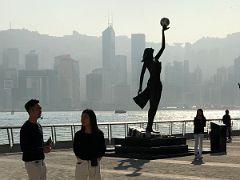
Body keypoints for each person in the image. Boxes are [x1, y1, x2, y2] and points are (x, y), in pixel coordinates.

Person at [133, 25, 169, 133]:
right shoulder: (147, 62)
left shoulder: (156, 58)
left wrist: (163, 32)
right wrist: (140, 87)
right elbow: (142, 75)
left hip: (158, 85)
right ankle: (149, 127)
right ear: (147, 54)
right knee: (152, 106)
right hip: (152, 84)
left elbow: (163, 47)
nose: (152, 52)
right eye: (150, 51)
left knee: (155, 107)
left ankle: (149, 126)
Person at [20, 99, 52, 180]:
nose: (41, 111)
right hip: (32, 163)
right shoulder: (25, 128)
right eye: (38, 108)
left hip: (41, 161)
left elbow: (38, 144)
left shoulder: (39, 126)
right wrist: (42, 149)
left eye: (40, 108)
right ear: (31, 111)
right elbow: (24, 148)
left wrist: (46, 146)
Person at [73, 109, 106, 180]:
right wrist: (80, 160)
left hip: (94, 164)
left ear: (92, 118)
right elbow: (75, 149)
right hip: (81, 163)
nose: (82, 119)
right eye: (81, 117)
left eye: (85, 117)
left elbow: (102, 149)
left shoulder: (99, 134)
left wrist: (97, 159)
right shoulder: (78, 135)